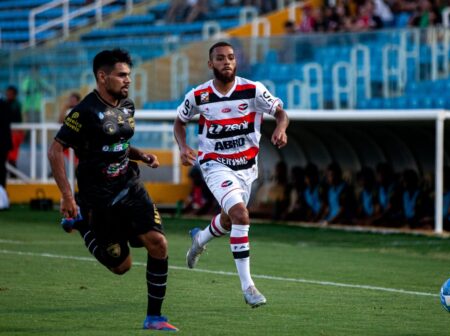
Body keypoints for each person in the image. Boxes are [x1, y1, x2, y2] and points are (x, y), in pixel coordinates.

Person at [48, 49, 178, 331]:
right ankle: (83, 223)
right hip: (99, 198)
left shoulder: (127, 106)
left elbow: (118, 143)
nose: (127, 80)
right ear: (102, 76)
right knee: (121, 266)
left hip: (131, 187)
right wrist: (68, 196)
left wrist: (141, 156)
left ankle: (154, 317)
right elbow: (55, 150)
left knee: (158, 244)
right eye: (121, 75)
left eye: (128, 75)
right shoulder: (83, 112)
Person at [173, 41, 289, 308]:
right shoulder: (198, 96)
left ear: (236, 62)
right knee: (241, 215)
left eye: (231, 58)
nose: (227, 62)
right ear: (210, 64)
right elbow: (180, 121)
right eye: (220, 58)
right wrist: (183, 146)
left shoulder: (253, 90)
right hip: (214, 165)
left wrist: (281, 128)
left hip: (247, 168)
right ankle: (248, 287)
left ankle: (199, 239)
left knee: (228, 220)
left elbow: (281, 114)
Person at [3, 86, 24, 172]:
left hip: (15, 133)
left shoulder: (16, 105)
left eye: (10, 93)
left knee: (12, 153)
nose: (8, 94)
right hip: (8, 132)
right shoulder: (5, 103)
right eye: (8, 92)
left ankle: (12, 167)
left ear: (14, 95)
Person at [0, 96, 13, 189]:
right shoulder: (5, 104)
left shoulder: (4, 105)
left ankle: (2, 194)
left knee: (1, 169)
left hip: (2, 143)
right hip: (3, 143)